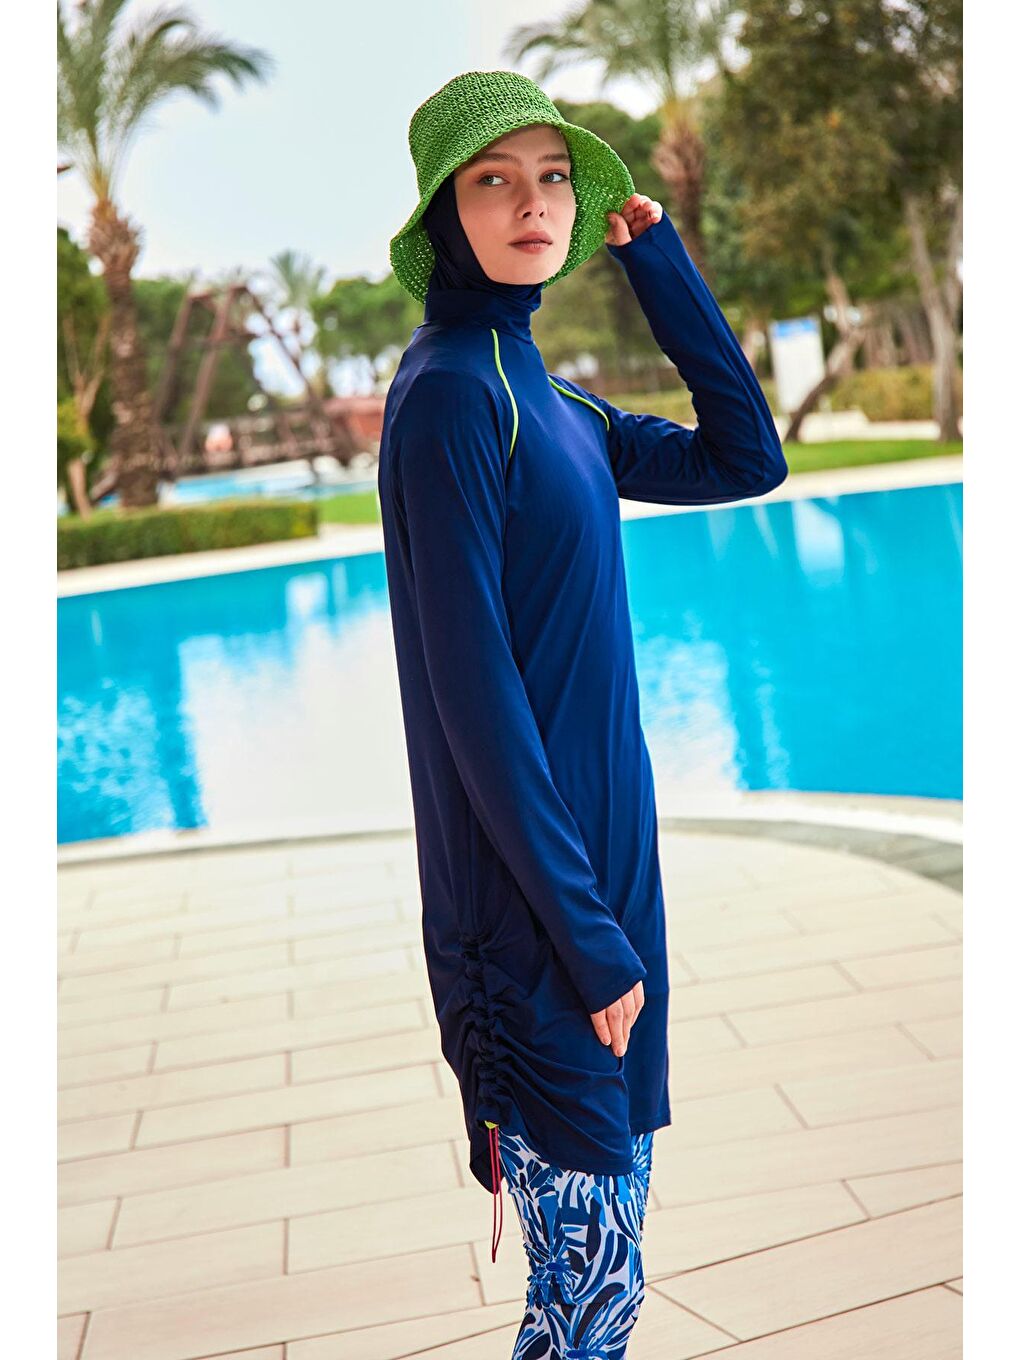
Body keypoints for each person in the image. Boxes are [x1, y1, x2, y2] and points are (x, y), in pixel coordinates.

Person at [378, 70, 787, 1358]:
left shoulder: (553, 403)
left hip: (609, 874)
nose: (533, 204)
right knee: (592, 1298)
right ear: (443, 214)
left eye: (553, 177)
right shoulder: (452, 395)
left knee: (590, 1292)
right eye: (494, 180)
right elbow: (474, 696)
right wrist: (586, 938)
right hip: (535, 906)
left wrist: (659, 263)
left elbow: (746, 457)